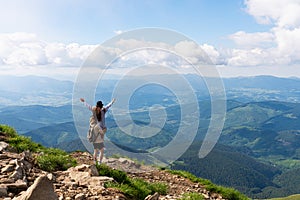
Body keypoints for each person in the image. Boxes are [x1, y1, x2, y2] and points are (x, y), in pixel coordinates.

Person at [80, 97, 116, 164]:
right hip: (98, 130)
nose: (100, 108)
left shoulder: (103, 110)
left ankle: (96, 161)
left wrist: (112, 102)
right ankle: (99, 162)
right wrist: (84, 102)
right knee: (100, 149)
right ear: (97, 107)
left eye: (100, 107)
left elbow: (108, 106)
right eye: (99, 107)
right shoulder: (95, 110)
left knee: (96, 150)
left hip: (101, 129)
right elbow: (89, 106)